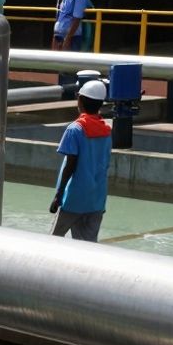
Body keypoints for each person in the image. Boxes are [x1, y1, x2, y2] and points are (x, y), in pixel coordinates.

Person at [49, 79, 112, 242]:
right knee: (88, 247)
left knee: (53, 242)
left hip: (73, 198)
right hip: (97, 199)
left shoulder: (74, 130)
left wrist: (58, 195)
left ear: (81, 100)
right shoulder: (107, 131)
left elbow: (70, 165)